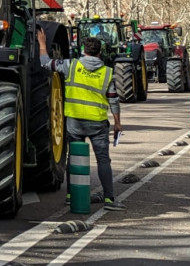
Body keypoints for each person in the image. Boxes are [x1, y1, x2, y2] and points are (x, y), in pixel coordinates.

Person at [38, 28, 125, 211]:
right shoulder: (107, 72)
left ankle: (71, 195)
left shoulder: (71, 65)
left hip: (75, 122)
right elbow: (113, 100)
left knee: (73, 159)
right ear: (100, 52)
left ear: (84, 50)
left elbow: (45, 63)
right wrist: (117, 123)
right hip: (98, 124)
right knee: (103, 161)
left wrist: (42, 44)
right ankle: (109, 199)